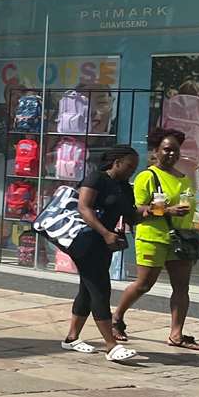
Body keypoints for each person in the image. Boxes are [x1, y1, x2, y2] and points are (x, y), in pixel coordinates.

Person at [113, 129, 199, 351]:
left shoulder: (184, 179)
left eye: (175, 150)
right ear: (156, 151)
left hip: (181, 240)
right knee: (144, 284)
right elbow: (138, 209)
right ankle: (116, 318)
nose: (171, 154)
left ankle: (176, 334)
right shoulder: (148, 176)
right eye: (167, 149)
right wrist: (168, 210)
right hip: (153, 237)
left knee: (181, 287)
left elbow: (190, 205)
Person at [60, 146, 142, 363]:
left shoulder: (124, 187)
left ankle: (71, 338)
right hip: (85, 242)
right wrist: (105, 232)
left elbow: (131, 216)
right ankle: (111, 346)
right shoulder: (97, 178)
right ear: (116, 162)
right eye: (129, 165)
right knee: (100, 289)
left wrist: (156, 211)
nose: (132, 170)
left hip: (104, 245)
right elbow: (84, 207)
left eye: (135, 166)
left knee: (87, 291)